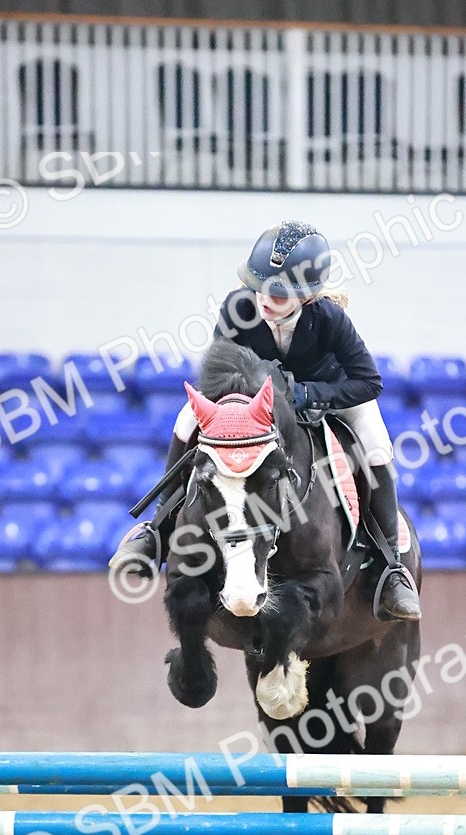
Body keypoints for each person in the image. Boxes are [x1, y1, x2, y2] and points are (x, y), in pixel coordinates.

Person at [114, 220, 421, 620]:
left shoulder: (329, 319)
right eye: (259, 286)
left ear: (306, 296)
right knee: (187, 418)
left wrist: (310, 395)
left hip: (324, 397)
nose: (264, 298)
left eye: (277, 293)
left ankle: (390, 567)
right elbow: (217, 373)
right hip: (252, 403)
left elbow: (368, 381)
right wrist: (256, 393)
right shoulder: (237, 308)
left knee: (378, 445)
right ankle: (159, 531)